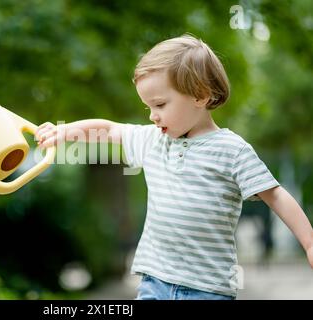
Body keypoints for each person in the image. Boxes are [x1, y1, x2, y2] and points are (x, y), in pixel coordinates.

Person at [34, 34, 313, 300]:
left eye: (160, 104)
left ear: (200, 96)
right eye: (148, 108)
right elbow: (107, 130)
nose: (153, 116)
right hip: (154, 281)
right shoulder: (152, 140)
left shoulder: (232, 150)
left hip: (207, 289)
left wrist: (309, 242)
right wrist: (65, 131)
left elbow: (275, 195)